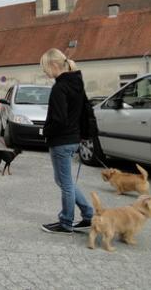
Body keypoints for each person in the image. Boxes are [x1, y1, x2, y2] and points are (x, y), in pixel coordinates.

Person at [39, 48, 93, 234]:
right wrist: (84, 135)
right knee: (64, 180)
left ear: (54, 65)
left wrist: (45, 131)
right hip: (74, 138)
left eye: (45, 68)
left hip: (61, 141)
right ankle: (88, 215)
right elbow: (86, 111)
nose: (44, 72)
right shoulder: (77, 83)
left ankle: (66, 222)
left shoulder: (60, 87)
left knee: (65, 183)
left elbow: (59, 119)